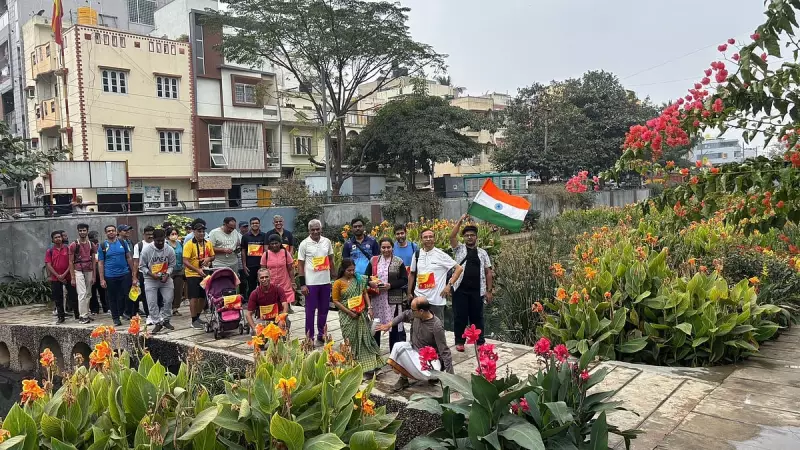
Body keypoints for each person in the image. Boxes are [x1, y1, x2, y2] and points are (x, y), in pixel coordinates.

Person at [378, 297, 454, 390]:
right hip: (415, 352)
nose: (411, 312)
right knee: (399, 346)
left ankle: (434, 377)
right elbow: (404, 314)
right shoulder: (415, 315)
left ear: (421, 311)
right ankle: (403, 379)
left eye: (413, 310)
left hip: (431, 362)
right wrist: (389, 325)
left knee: (403, 355)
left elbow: (445, 352)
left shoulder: (436, 326)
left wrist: (452, 380)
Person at [332, 258, 384, 376]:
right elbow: (336, 301)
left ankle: (370, 365)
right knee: (351, 339)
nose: (351, 273)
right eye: (349, 270)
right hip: (347, 315)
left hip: (361, 314)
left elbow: (364, 292)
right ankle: (353, 364)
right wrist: (349, 312)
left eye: (353, 270)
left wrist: (369, 308)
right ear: (343, 270)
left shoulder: (358, 279)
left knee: (366, 339)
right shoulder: (338, 283)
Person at [450, 215, 494, 352]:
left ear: (476, 237)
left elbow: (488, 272)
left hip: (477, 290)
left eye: (472, 235)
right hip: (460, 290)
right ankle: (459, 341)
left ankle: (480, 341)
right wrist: (460, 220)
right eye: (467, 235)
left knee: (477, 317)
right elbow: (452, 236)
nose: (469, 237)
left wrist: (489, 290)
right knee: (460, 317)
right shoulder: (459, 249)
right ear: (464, 237)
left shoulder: (482, 253)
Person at [408, 228, 463, 322]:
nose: (428, 239)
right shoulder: (416, 254)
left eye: (430, 237)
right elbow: (412, 274)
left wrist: (449, 286)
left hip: (436, 300)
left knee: (436, 329)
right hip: (419, 297)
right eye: (425, 237)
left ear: (434, 239)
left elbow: (459, 268)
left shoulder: (441, 255)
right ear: (421, 239)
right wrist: (409, 292)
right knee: (417, 327)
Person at [297, 219, 335, 344]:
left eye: (317, 229)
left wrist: (333, 278)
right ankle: (310, 337)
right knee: (310, 311)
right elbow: (300, 265)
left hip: (325, 281)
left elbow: (331, 260)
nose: (315, 231)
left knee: (324, 310)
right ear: (309, 231)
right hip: (311, 283)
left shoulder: (327, 242)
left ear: (321, 229)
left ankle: (321, 334)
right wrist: (302, 284)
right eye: (312, 229)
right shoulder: (304, 244)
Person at [366, 237, 408, 350]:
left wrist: (391, 285)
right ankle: (375, 354)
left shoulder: (398, 261)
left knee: (394, 325)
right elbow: (366, 277)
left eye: (388, 247)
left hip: (393, 298)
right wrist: (371, 283)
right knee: (376, 325)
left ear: (392, 248)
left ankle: (394, 355)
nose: (386, 250)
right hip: (377, 298)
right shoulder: (373, 261)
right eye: (383, 247)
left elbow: (404, 279)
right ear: (380, 248)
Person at [139, 229, 177, 333]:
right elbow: (142, 266)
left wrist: (167, 274)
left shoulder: (169, 249)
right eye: (158, 241)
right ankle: (157, 322)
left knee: (168, 299)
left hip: (166, 278)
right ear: (153, 239)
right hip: (151, 279)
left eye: (162, 241)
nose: (160, 243)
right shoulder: (146, 250)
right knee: (152, 302)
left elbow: (172, 264)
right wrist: (152, 275)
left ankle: (166, 320)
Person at [97, 225, 135, 326]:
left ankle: (125, 312)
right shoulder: (102, 246)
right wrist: (102, 279)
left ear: (116, 232)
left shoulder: (123, 243)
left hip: (125, 274)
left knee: (126, 295)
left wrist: (134, 274)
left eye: (113, 230)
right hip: (110, 275)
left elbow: (129, 258)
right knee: (112, 297)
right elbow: (100, 263)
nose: (111, 232)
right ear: (106, 233)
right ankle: (115, 317)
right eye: (108, 231)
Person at [183, 222, 215, 329]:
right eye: (199, 231)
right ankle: (193, 320)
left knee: (203, 296)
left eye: (203, 231)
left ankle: (197, 316)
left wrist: (208, 259)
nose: (201, 233)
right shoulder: (189, 244)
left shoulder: (208, 243)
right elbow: (185, 261)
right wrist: (197, 269)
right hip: (192, 274)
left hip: (205, 272)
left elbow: (213, 255)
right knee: (194, 297)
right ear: (193, 232)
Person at [46, 230, 78, 324]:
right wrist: (57, 275)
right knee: (58, 298)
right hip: (56, 279)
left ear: (62, 238)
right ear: (52, 240)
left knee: (73, 296)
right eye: (55, 237)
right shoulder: (50, 251)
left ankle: (77, 315)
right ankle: (61, 317)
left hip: (68, 276)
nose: (58, 239)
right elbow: (48, 264)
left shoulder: (68, 249)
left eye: (59, 237)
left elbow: (71, 262)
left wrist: (64, 274)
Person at [68, 223, 97, 324]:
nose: (82, 232)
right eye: (80, 230)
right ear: (78, 231)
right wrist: (72, 277)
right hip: (78, 270)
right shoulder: (73, 245)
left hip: (89, 269)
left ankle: (86, 313)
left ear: (87, 231)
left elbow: (94, 260)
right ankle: (82, 316)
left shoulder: (91, 244)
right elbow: (70, 262)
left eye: (84, 230)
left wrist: (94, 275)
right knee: (82, 293)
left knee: (88, 293)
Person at [246, 268, 289, 333]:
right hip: (263, 319)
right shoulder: (254, 293)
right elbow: (248, 314)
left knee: (285, 325)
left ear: (270, 277)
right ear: (258, 279)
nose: (264, 279)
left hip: (277, 317)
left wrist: (282, 319)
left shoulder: (278, 289)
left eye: (266, 277)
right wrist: (254, 328)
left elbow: (285, 305)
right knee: (255, 333)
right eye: (262, 278)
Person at [260, 234, 296, 305]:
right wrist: (263, 284)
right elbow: (262, 271)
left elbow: (290, 269)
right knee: (273, 306)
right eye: (272, 244)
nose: (274, 245)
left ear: (280, 243)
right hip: (270, 284)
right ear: (269, 244)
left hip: (284, 283)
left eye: (276, 243)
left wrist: (293, 282)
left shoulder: (286, 253)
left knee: (285, 308)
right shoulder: (266, 254)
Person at [131, 225, 155, 319]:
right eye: (148, 234)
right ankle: (148, 314)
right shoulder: (139, 246)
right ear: (143, 234)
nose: (150, 236)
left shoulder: (158, 243)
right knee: (145, 295)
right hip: (144, 273)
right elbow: (136, 262)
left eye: (152, 234)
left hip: (157, 272)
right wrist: (134, 277)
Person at [241, 217, 268, 298]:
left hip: (262, 265)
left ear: (259, 224)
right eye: (253, 223)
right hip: (250, 266)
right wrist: (244, 265)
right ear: (250, 225)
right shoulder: (245, 236)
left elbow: (266, 250)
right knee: (251, 286)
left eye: (256, 223)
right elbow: (243, 251)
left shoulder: (264, 235)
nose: (255, 225)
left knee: (263, 285)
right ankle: (252, 304)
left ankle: (264, 301)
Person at [166, 228, 185, 316]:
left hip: (179, 269)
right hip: (169, 270)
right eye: (172, 234)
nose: (174, 235)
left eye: (175, 233)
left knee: (178, 290)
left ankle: (175, 308)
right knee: (168, 290)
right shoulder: (166, 244)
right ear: (168, 236)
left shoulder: (180, 244)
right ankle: (167, 308)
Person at [88, 230, 107, 314]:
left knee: (103, 291)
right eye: (93, 237)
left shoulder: (101, 246)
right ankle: (94, 309)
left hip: (101, 272)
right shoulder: (88, 247)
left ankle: (106, 308)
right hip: (91, 272)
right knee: (92, 292)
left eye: (96, 236)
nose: (95, 238)